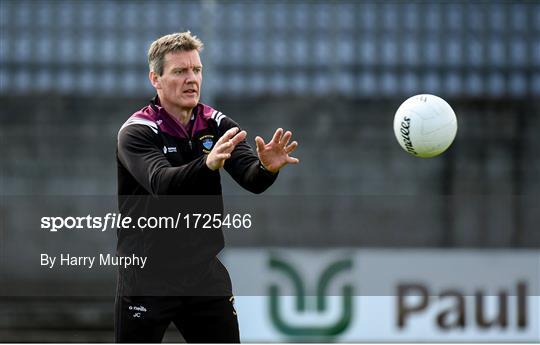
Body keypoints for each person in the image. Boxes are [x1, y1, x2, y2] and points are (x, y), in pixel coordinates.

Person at [115, 31, 298, 342]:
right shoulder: (137, 132)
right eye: (180, 71)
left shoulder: (216, 124)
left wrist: (266, 168)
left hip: (202, 275)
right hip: (147, 276)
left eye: (196, 70)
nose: (192, 79)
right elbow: (162, 184)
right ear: (155, 79)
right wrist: (207, 164)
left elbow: (251, 179)